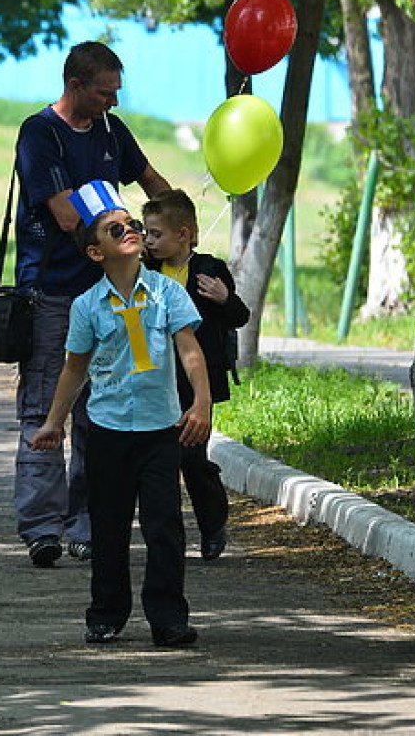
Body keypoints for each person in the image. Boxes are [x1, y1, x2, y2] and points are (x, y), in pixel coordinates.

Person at [31, 182, 211, 646]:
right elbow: (74, 370)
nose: (130, 231)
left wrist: (201, 402)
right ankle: (106, 613)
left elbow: (190, 351)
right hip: (107, 430)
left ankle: (169, 618)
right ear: (97, 252)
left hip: (158, 429)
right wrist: (54, 422)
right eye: (117, 229)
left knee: (164, 528)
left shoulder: (167, 294)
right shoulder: (86, 306)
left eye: (132, 225)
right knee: (108, 529)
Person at [13, 42, 170, 567]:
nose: (113, 102)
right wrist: (123, 231)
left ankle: (87, 524)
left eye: (117, 92)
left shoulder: (111, 131)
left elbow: (151, 182)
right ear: (76, 85)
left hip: (109, 294)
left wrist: (171, 228)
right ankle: (41, 526)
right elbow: (63, 214)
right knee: (43, 404)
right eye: (105, 92)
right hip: (52, 290)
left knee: (95, 410)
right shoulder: (40, 134)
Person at [142, 189, 250, 561]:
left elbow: (238, 317)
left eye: (156, 234)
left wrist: (224, 298)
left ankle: (212, 525)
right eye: (146, 233)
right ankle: (167, 537)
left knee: (191, 459)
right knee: (159, 462)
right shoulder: (145, 270)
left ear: (184, 234)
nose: (148, 241)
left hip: (196, 383)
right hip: (154, 380)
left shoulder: (209, 270)